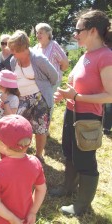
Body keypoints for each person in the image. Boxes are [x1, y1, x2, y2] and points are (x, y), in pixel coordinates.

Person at [53, 10, 112, 216]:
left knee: (85, 161)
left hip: (88, 118)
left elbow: (109, 96)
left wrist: (76, 96)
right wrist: (67, 96)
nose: (75, 34)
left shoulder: (105, 56)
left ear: (93, 30)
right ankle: (67, 188)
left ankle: (81, 206)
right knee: (70, 153)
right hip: (73, 113)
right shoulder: (86, 54)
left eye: (78, 30)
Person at [8, 30, 58, 163]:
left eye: (15, 50)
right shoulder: (14, 60)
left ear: (24, 48)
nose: (12, 53)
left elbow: (54, 77)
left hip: (39, 98)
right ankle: (21, 152)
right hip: (22, 99)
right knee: (21, 127)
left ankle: (39, 155)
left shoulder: (38, 59)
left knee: (40, 128)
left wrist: (44, 90)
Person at [0, 115, 47, 224]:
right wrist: (33, 212)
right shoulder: (35, 163)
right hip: (25, 218)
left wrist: (12, 219)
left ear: (3, 145)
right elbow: (41, 189)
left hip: (1, 220)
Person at [34, 23, 69, 91]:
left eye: (41, 33)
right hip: (39, 84)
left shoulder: (54, 46)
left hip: (52, 83)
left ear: (48, 34)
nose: (38, 35)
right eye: (37, 33)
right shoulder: (35, 48)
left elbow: (65, 65)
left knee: (48, 101)